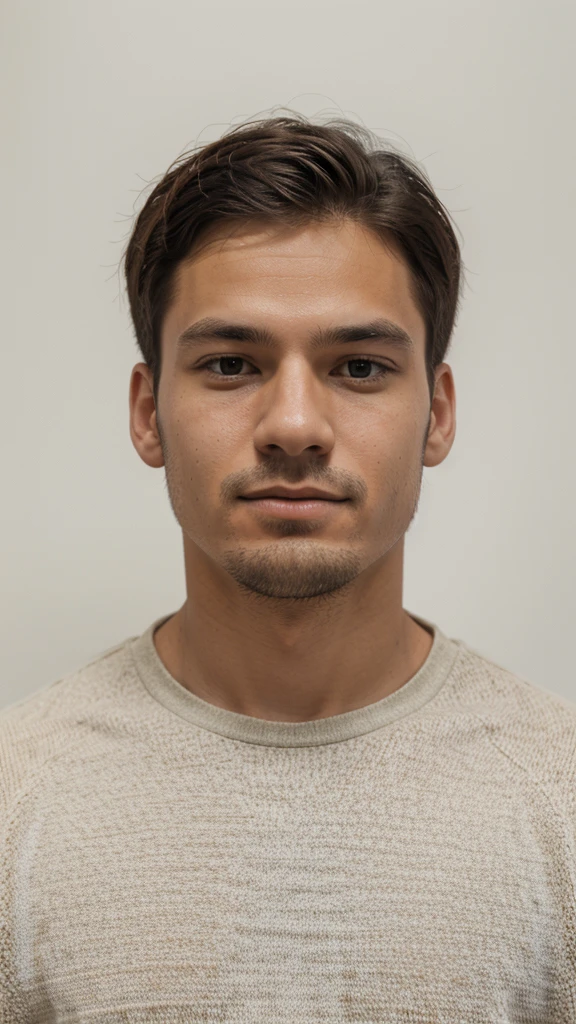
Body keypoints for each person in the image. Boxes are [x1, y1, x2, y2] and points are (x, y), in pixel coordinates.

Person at [1, 114, 575, 1023]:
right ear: (149, 412)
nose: (295, 425)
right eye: (231, 364)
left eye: (358, 366)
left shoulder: (561, 797)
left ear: (437, 413)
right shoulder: (15, 800)